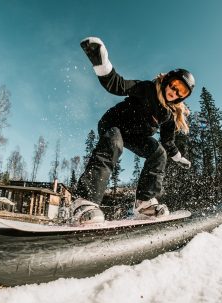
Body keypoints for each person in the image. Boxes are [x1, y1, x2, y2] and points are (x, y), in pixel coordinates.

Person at [71, 36, 195, 225]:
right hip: (114, 125)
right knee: (114, 143)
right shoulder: (147, 88)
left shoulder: (168, 115)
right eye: (174, 85)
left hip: (136, 137)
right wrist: (101, 63)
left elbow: (167, 142)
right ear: (168, 79)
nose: (174, 92)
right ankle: (84, 202)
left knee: (158, 153)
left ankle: (145, 204)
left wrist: (178, 157)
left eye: (181, 92)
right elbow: (117, 84)